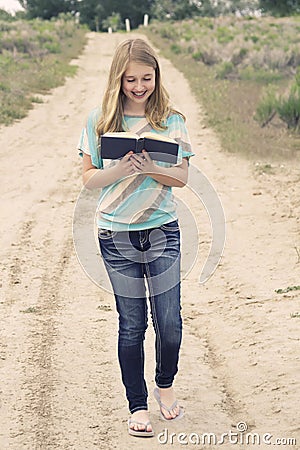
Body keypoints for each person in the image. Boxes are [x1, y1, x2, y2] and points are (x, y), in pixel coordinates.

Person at [77, 38, 194, 438]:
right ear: (119, 79)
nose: (139, 86)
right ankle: (138, 404)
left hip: (162, 230)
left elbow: (180, 177)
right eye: (131, 80)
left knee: (170, 322)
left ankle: (165, 384)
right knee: (132, 324)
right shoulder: (99, 121)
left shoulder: (172, 121)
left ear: (157, 77)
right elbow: (90, 178)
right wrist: (123, 169)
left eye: (147, 78)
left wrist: (150, 168)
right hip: (116, 234)